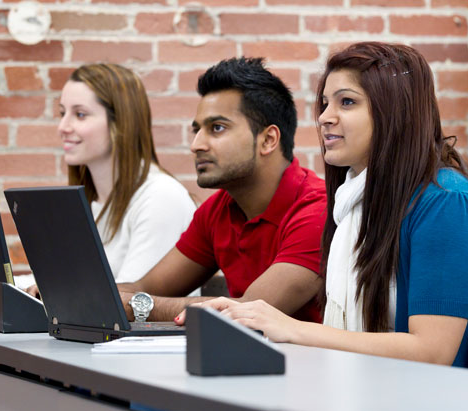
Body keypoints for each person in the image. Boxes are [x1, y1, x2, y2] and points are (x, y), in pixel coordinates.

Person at [181, 42, 468, 368]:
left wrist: (291, 328)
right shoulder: (357, 199)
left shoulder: (447, 204)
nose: (325, 118)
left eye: (347, 102)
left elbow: (432, 351)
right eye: (324, 104)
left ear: (395, 111)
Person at [118, 57, 327, 323]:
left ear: (268, 140)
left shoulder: (317, 209)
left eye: (217, 128)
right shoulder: (218, 210)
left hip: (313, 364)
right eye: (197, 130)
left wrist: (136, 306)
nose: (196, 144)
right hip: (247, 362)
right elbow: (144, 288)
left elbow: (248, 311)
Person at [17, 63, 196, 293]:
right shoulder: (89, 202)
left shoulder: (162, 198)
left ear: (120, 123)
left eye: (80, 115)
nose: (63, 127)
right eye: (63, 113)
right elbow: (60, 279)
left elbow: (128, 302)